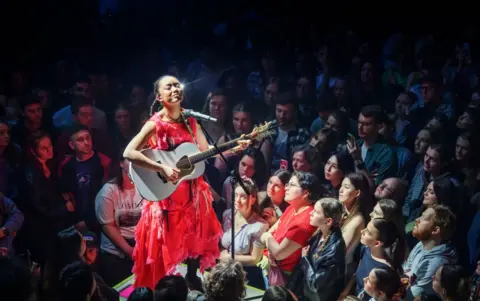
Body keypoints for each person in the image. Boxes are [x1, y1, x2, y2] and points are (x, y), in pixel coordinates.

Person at [123, 75, 250, 289]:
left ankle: (192, 277)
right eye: (168, 86)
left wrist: (231, 147)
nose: (174, 88)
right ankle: (165, 287)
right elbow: (129, 152)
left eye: (176, 85)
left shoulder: (191, 121)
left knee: (194, 238)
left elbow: (203, 151)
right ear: (159, 96)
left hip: (192, 193)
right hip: (166, 194)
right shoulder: (155, 124)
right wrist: (161, 167)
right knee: (165, 246)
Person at [288, 198, 346, 301]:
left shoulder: (334, 249)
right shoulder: (318, 235)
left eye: (316, 212)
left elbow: (316, 284)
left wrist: (305, 259)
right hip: (305, 294)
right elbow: (300, 269)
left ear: (328, 221)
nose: (311, 213)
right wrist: (290, 290)